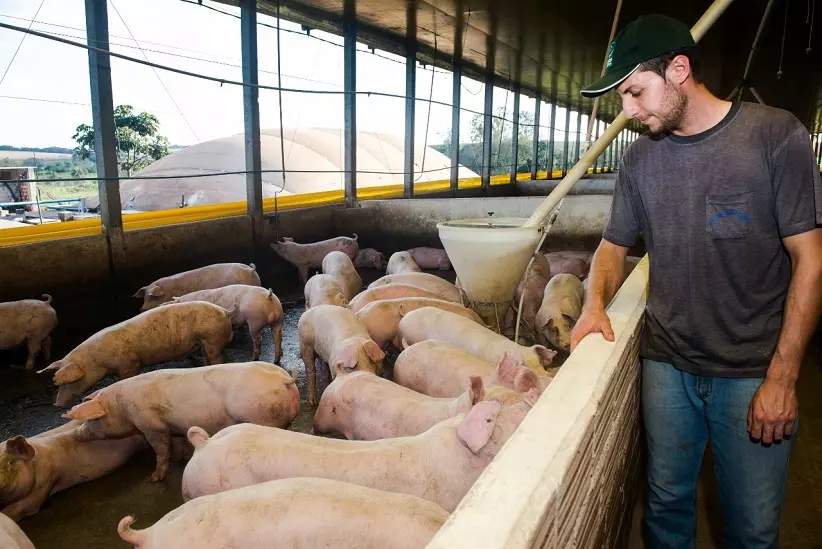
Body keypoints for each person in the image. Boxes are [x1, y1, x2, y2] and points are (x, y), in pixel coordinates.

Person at [573, 13, 822, 549]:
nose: (628, 110)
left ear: (679, 70)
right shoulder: (639, 160)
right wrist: (594, 305)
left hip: (752, 371)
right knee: (665, 507)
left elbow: (811, 260)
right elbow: (612, 248)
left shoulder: (775, 137)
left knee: (752, 528)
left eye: (635, 92)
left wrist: (782, 378)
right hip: (667, 366)